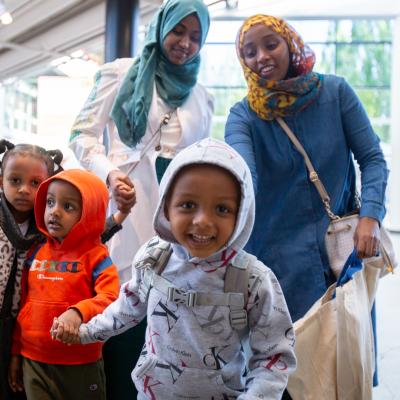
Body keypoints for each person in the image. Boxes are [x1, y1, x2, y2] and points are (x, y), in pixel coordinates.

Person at [53, 138, 297, 399]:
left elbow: (273, 358)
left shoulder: (253, 280)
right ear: (166, 208)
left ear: (242, 214)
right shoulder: (153, 258)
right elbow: (126, 308)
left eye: (222, 209)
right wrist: (86, 332)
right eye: (188, 205)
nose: (202, 221)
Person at [225, 15, 388, 397]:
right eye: (249, 52)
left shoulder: (335, 93)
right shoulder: (243, 115)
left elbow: (373, 159)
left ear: (290, 44)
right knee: (287, 379)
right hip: (278, 270)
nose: (262, 57)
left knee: (346, 371)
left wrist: (372, 216)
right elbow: (243, 176)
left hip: (342, 262)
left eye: (271, 44)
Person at [69, 0, 213, 397]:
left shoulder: (202, 96)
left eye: (196, 37)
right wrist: (110, 173)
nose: (185, 43)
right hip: (125, 212)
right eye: (178, 31)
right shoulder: (119, 72)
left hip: (178, 225)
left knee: (169, 323)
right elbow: (80, 136)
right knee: (121, 317)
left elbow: (201, 164)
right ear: (161, 27)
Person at [9, 169, 120, 400]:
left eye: (68, 206)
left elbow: (111, 298)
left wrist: (78, 313)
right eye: (50, 202)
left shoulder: (96, 257)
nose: (55, 212)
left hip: (80, 362)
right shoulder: (36, 253)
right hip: (33, 361)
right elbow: (24, 304)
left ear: (90, 213)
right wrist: (16, 353)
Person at [0, 140, 63, 400]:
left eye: (35, 183)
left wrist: (117, 219)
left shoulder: (48, 229)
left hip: (21, 329)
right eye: (15, 180)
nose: (24, 190)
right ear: (1, 180)